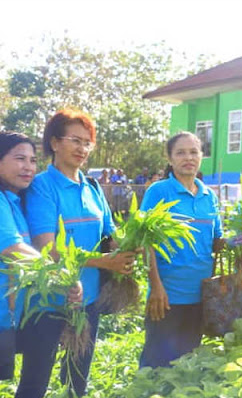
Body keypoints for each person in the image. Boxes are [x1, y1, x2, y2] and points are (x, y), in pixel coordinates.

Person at [17, 110, 135, 398]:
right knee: (35, 383)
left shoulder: (92, 187)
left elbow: (110, 235)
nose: (82, 149)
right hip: (50, 302)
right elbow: (47, 247)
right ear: (55, 143)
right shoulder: (42, 187)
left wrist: (130, 245)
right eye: (75, 140)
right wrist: (105, 262)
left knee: (77, 380)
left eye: (87, 142)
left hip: (88, 300)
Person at [139, 132, 223, 369]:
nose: (189, 158)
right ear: (170, 158)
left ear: (201, 156)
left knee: (186, 363)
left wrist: (239, 243)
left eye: (194, 152)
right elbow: (146, 241)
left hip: (201, 294)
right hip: (167, 296)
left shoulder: (209, 196)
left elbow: (215, 240)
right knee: (156, 365)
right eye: (181, 152)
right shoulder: (159, 192)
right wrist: (156, 286)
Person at [0, 132, 42, 382]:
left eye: (33, 160)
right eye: (20, 158)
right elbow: (11, 249)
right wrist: (62, 274)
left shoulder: (13, 201)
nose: (28, 167)